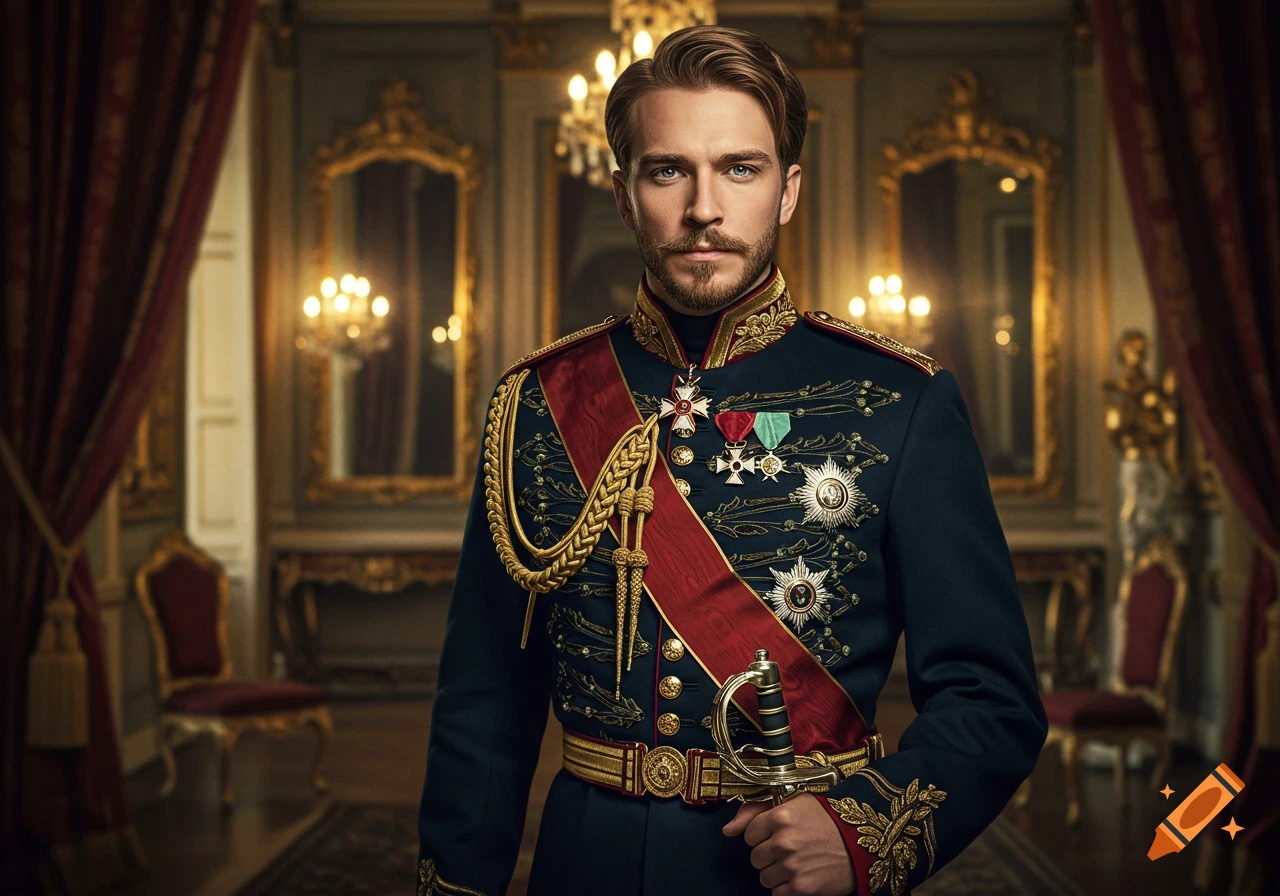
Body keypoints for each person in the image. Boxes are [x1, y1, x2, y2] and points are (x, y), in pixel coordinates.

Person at [417, 25, 1047, 896]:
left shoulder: (901, 401)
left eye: (740, 169)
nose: (703, 207)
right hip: (585, 861)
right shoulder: (537, 401)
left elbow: (993, 700)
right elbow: (482, 704)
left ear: (787, 191)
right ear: (623, 192)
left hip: (791, 870)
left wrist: (859, 837)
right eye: (668, 169)